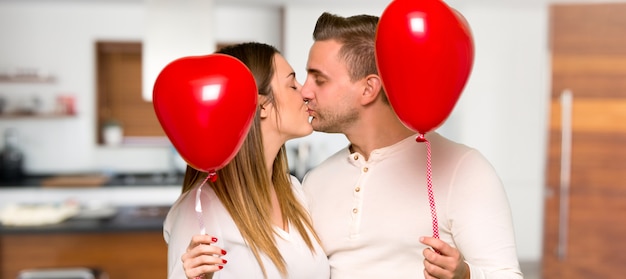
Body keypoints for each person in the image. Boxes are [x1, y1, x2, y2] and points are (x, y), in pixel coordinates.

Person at [300, 12, 523, 279]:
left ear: (369, 89)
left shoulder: (465, 169)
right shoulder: (314, 181)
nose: (304, 91)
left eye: (319, 79)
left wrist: (465, 275)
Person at [163, 42, 330, 279]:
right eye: (292, 84)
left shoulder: (294, 191)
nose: (304, 92)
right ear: (262, 105)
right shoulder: (200, 211)